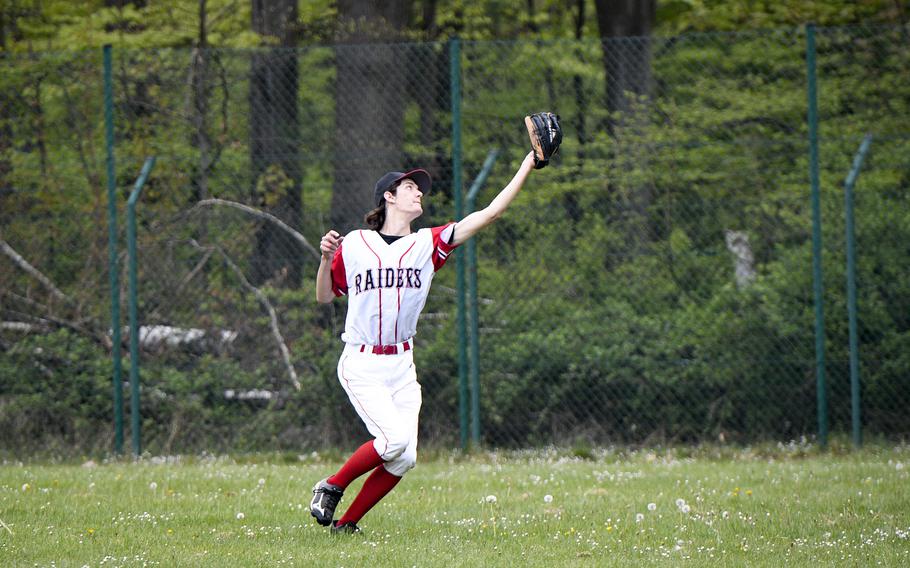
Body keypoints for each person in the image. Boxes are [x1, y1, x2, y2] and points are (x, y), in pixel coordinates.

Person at [311, 150, 538, 534]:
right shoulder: (354, 244)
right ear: (389, 197)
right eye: (411, 187)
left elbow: (490, 213)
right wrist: (324, 258)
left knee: (405, 457)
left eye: (419, 189)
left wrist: (528, 164)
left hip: (402, 365)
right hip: (362, 363)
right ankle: (332, 485)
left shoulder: (426, 245)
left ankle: (345, 526)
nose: (419, 194)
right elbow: (323, 296)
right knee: (392, 440)